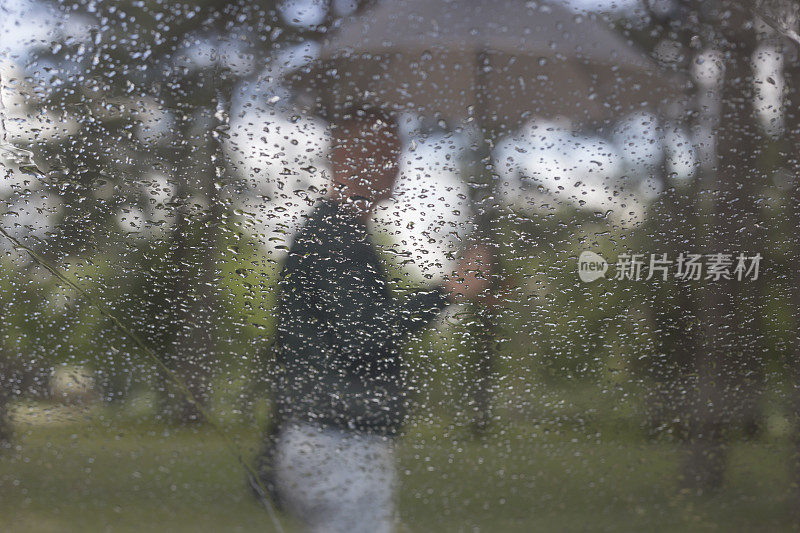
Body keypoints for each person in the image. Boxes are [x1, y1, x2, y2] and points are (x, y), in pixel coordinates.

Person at [252, 106, 491, 533]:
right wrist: (450, 291)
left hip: (330, 435)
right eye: (380, 153)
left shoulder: (336, 233)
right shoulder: (333, 235)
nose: (394, 167)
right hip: (338, 442)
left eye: (396, 153)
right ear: (342, 160)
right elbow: (363, 336)